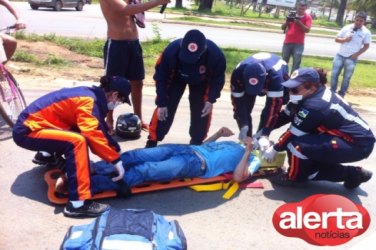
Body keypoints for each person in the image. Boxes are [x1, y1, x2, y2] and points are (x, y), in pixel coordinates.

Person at [13, 76, 132, 218]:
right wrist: (115, 160)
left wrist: (114, 149)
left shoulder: (90, 95)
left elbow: (98, 126)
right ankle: (78, 204)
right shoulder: (89, 101)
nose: (118, 104)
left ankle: (46, 154)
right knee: (77, 142)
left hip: (34, 124)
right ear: (115, 95)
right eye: (121, 101)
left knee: (76, 129)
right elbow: (93, 134)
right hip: (27, 131)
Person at [262, 68, 374, 188]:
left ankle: (293, 178)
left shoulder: (314, 106)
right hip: (341, 136)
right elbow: (285, 115)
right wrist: (263, 133)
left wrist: (274, 148)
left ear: (312, 88)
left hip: (356, 143)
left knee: (296, 146)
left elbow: (293, 133)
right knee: (307, 163)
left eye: (294, 89)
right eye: (289, 88)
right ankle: (355, 174)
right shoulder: (305, 95)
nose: (290, 93)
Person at [61, 127, 261, 195]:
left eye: (255, 142)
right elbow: (204, 146)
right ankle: (93, 169)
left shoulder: (252, 159)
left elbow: (237, 177)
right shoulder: (235, 144)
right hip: (186, 149)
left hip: (195, 165)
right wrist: (218, 134)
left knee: (144, 170)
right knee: (135, 156)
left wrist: (249, 151)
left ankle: (80, 185)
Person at [145, 29, 226, 148]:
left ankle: (197, 142)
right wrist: (162, 102)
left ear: (203, 50)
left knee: (202, 110)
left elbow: (218, 80)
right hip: (176, 77)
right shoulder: (171, 51)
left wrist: (210, 100)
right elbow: (160, 78)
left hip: (201, 81)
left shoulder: (215, 56)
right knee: (165, 107)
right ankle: (153, 140)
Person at [99, 0, 170, 134]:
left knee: (137, 83)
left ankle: (138, 118)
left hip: (133, 43)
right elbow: (126, 10)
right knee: (111, 85)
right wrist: (159, 2)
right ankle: (108, 120)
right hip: (116, 45)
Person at [231, 52, 289, 151]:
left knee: (272, 110)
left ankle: (261, 137)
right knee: (245, 108)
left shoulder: (276, 76)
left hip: (276, 75)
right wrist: (243, 125)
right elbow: (238, 104)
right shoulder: (237, 74)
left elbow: (273, 108)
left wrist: (265, 133)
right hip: (249, 80)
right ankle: (248, 141)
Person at [330, 11, 371, 98]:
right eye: (357, 20)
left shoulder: (366, 32)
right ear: (354, 19)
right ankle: (332, 92)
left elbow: (366, 46)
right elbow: (336, 39)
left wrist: (357, 54)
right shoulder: (347, 28)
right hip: (340, 55)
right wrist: (345, 39)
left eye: (361, 21)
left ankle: (341, 94)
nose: (358, 22)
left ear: (364, 22)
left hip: (352, 58)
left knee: (346, 77)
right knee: (334, 74)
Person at [281, 1, 312, 74]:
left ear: (306, 8)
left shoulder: (307, 17)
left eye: (303, 8)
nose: (301, 10)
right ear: (297, 7)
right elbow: (282, 28)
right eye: (299, 8)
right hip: (287, 42)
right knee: (284, 62)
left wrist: (299, 23)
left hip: (299, 44)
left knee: (296, 63)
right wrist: (287, 22)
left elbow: (307, 30)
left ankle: (293, 80)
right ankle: (283, 77)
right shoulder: (292, 14)